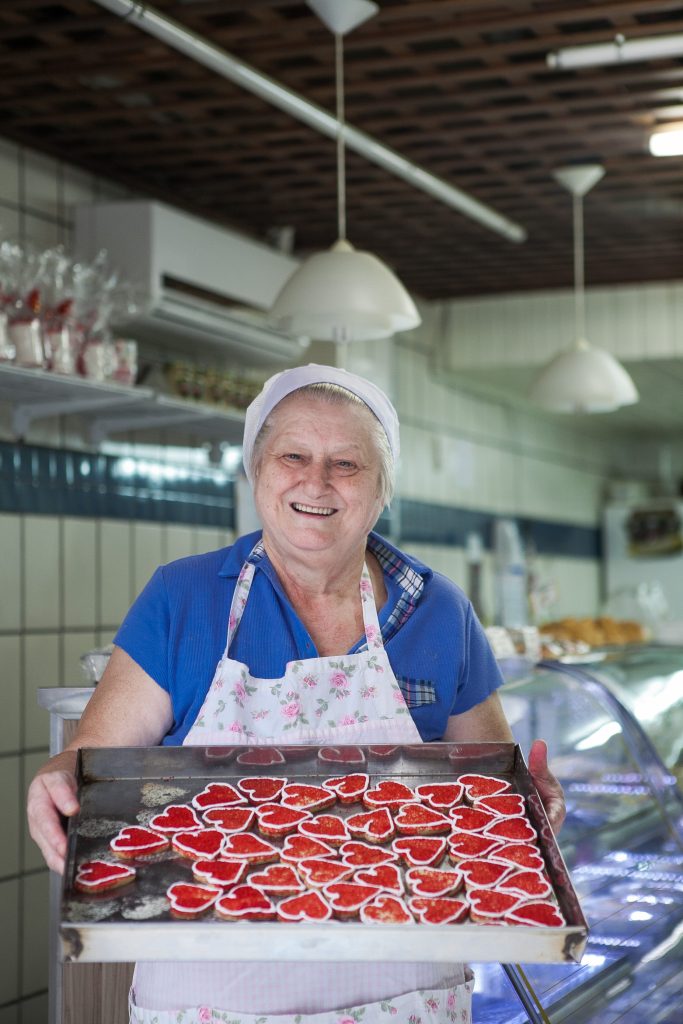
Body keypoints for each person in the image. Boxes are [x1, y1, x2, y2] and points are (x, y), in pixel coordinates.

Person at [28, 363, 565, 1024]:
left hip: (409, 997)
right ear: (258, 472)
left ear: (381, 489)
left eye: (346, 463)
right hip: (210, 999)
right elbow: (90, 764)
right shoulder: (182, 599)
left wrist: (529, 814)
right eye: (293, 457)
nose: (316, 482)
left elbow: (491, 801)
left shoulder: (440, 613)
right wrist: (57, 779)